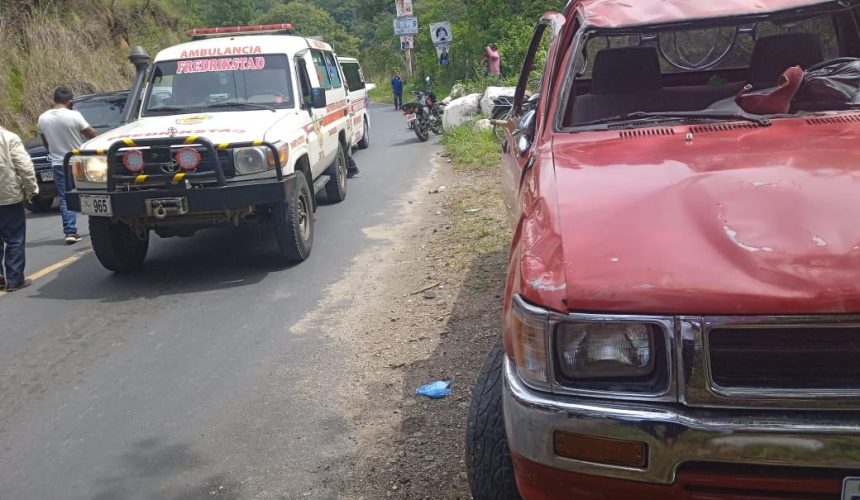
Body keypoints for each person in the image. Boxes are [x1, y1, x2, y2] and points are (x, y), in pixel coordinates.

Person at [37, 87, 97, 244]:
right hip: (78, 162)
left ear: (54, 99)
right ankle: (99, 225)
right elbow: (91, 134)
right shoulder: (74, 115)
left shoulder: (42, 118)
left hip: (58, 163)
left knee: (64, 197)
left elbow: (45, 143)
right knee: (92, 192)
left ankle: (70, 231)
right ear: (70, 102)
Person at [0, 125, 38, 292]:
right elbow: (24, 167)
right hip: (8, 196)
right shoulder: (9, 138)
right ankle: (15, 280)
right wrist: (32, 189)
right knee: (14, 238)